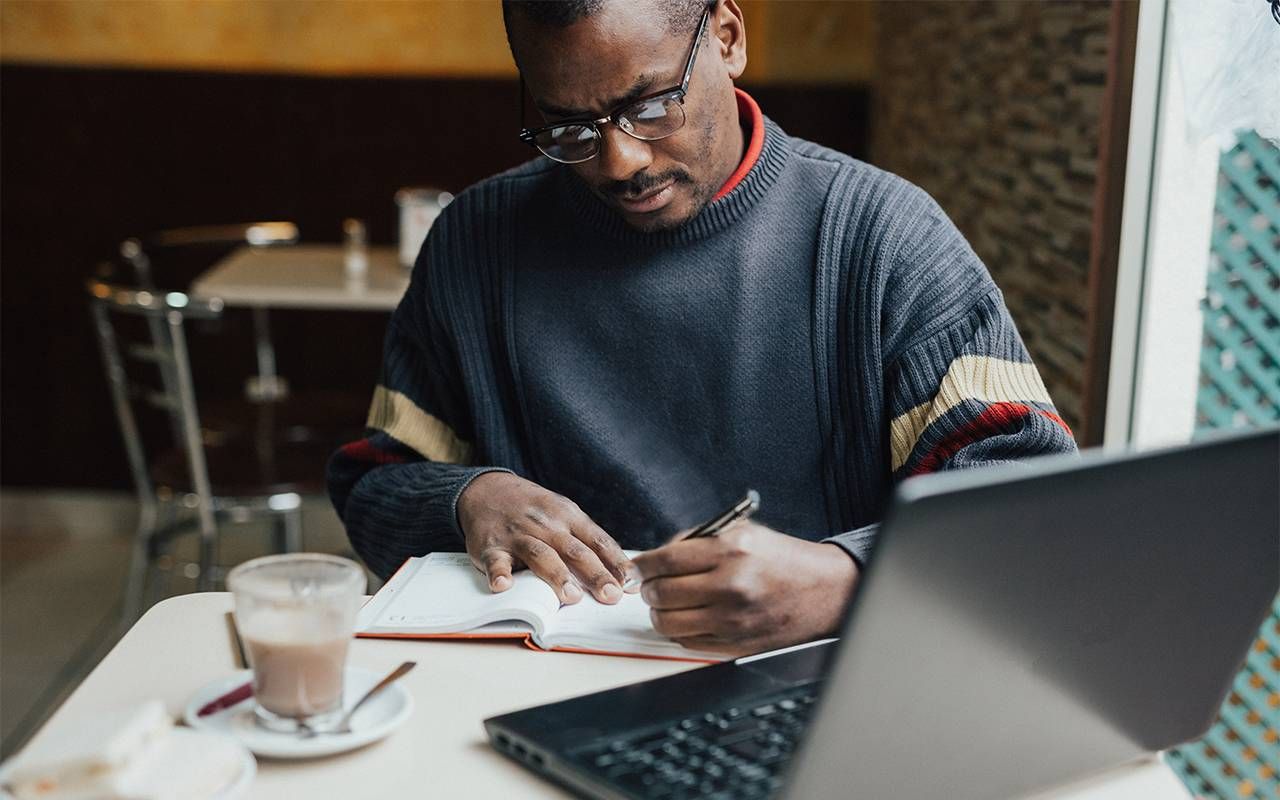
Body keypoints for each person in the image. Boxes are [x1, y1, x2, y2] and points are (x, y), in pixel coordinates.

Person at [327, 0, 1077, 657]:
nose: (621, 162)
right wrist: (468, 499)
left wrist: (848, 581)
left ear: (726, 36)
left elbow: (1034, 519)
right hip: (520, 701)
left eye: (650, 105)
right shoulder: (475, 244)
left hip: (813, 700)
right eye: (570, 128)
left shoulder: (884, 239)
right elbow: (374, 480)